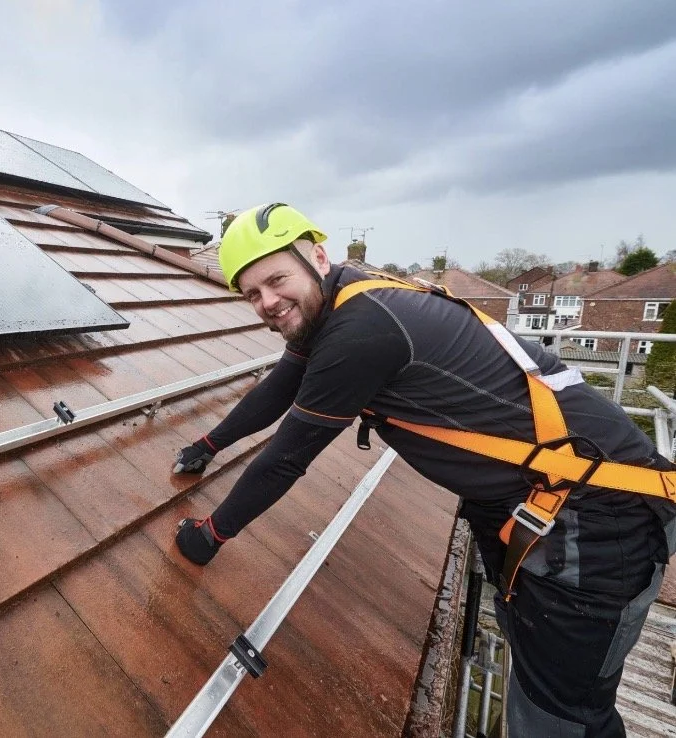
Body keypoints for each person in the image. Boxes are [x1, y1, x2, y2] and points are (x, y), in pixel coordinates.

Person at [172, 202, 676, 737]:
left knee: (562, 720)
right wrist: (208, 443)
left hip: (595, 518)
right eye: (252, 294)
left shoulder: (360, 332)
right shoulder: (341, 296)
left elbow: (286, 458)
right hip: (548, 501)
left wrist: (210, 535)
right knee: (538, 681)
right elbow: (281, 386)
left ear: (316, 258)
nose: (268, 302)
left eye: (276, 281)